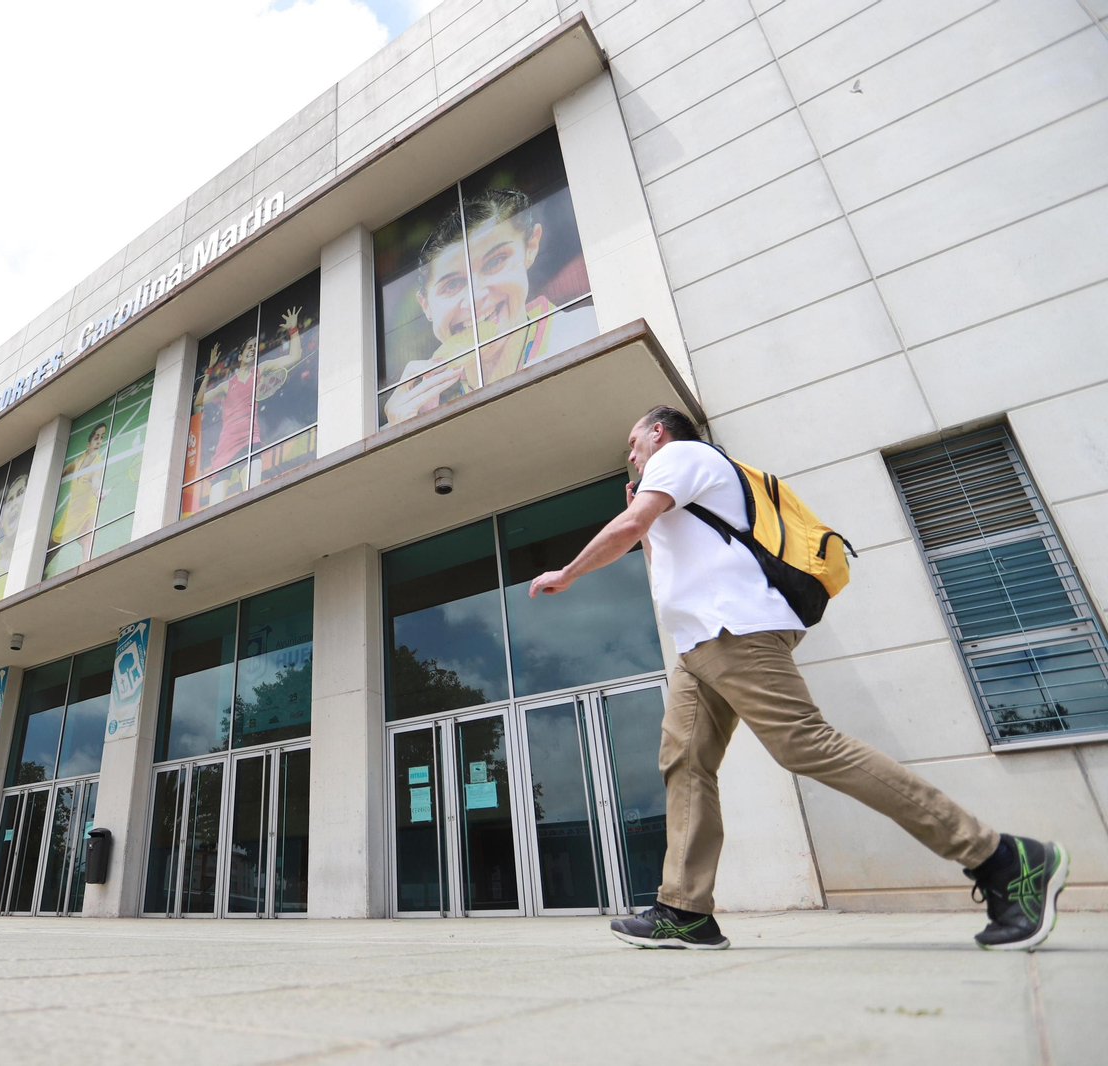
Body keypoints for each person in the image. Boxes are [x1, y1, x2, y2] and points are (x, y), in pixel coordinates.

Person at [528, 405, 1069, 952]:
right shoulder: (677, 480)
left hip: (734, 630)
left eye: (634, 441)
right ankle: (684, 910)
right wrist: (642, 522)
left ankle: (1001, 858)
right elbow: (658, 555)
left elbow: (629, 527)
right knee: (685, 762)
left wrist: (569, 572)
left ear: (658, 432)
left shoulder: (680, 456)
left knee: (805, 744)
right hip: (700, 641)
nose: (631, 454)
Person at [383, 188, 595, 425]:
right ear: (426, 306)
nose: (475, 297)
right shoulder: (411, 410)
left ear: (531, 247)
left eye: (495, 261)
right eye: (452, 284)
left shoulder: (588, 333)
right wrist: (409, 435)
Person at [193, 308, 309, 473]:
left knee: (253, 484)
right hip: (225, 445)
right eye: (249, 347)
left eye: (255, 347)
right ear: (240, 356)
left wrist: (293, 330)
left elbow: (294, 356)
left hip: (250, 439)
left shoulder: (261, 369)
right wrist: (209, 370)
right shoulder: (226, 385)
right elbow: (198, 401)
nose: (253, 349)